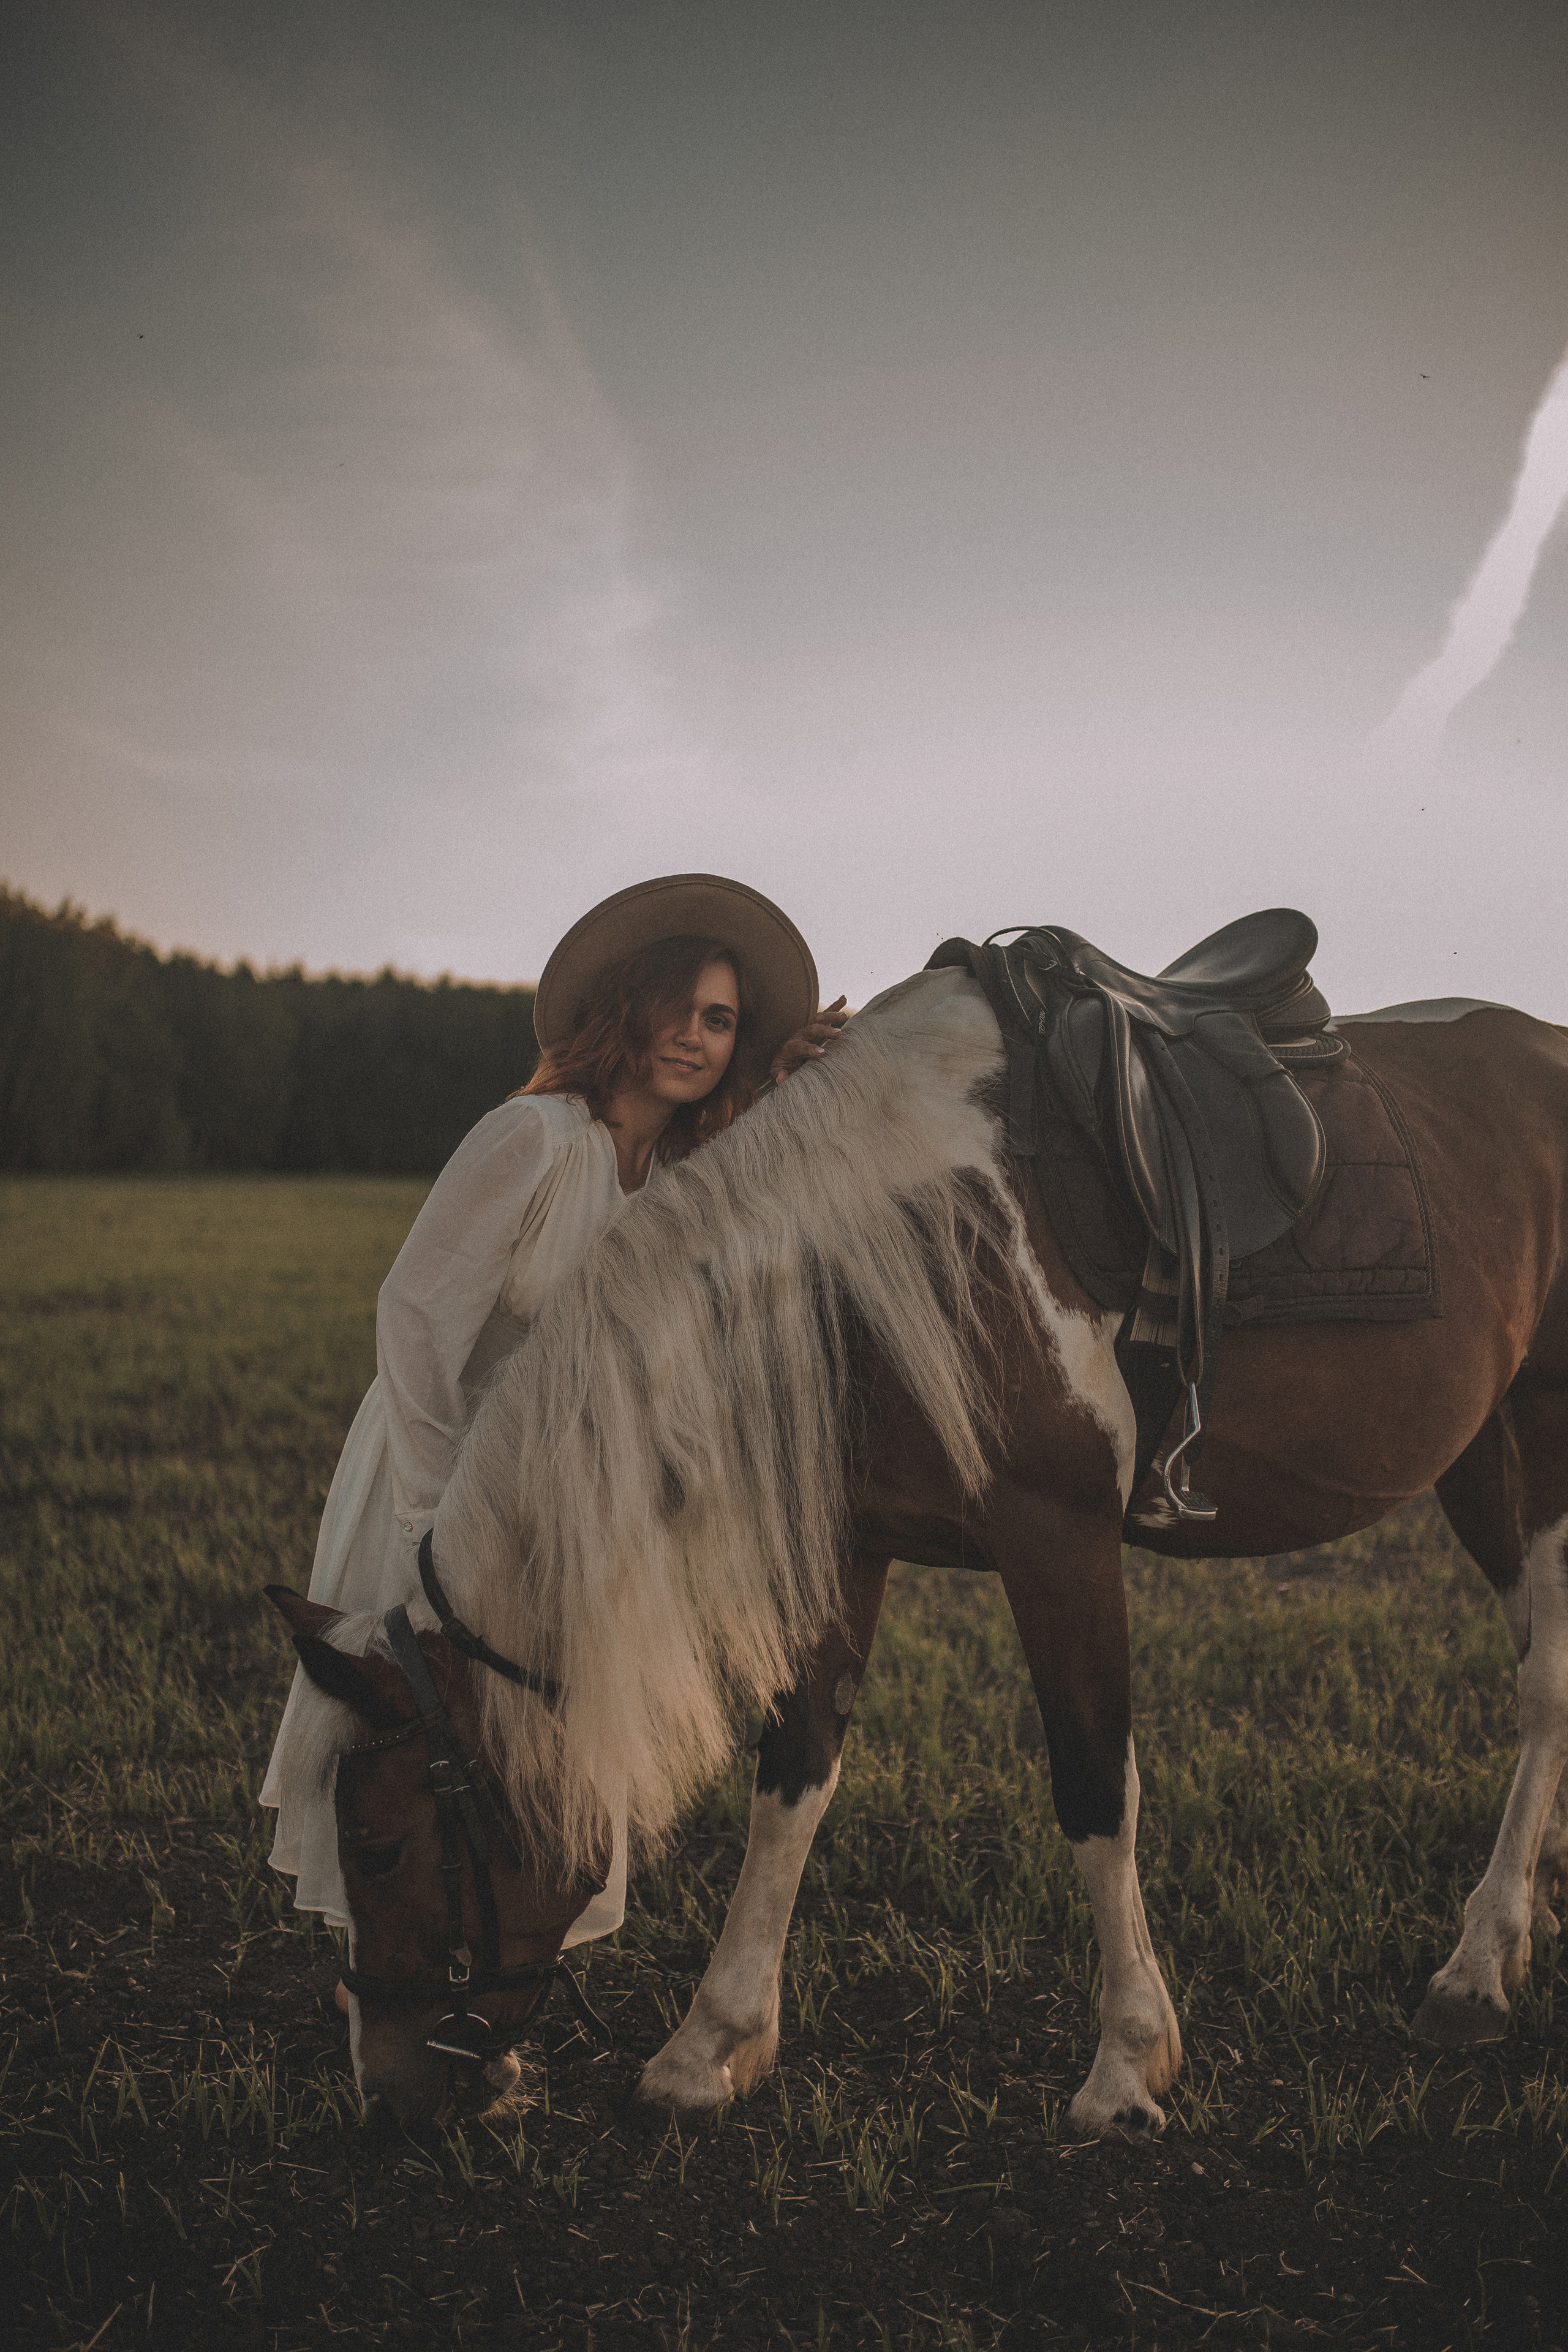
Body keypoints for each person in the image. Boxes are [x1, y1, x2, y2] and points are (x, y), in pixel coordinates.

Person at [260, 873, 846, 1954]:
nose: (694, 1035)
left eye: (722, 1020)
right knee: (417, 1723)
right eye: (677, 1006)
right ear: (623, 1008)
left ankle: (491, 1953)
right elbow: (416, 1317)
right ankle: (375, 1970)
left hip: (569, 1494)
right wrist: (435, 1521)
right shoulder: (533, 1137)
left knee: (532, 1732)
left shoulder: (678, 1175)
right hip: (443, 1466)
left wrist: (785, 1089)